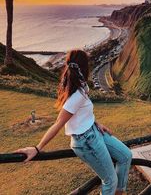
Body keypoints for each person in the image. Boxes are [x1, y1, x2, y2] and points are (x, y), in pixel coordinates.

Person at [15, 49, 132, 195]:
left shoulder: (83, 86)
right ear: (83, 67)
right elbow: (58, 123)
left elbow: (83, 112)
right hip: (86, 142)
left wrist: (95, 123)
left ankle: (118, 193)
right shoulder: (76, 96)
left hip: (93, 131)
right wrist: (37, 148)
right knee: (110, 180)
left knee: (125, 156)